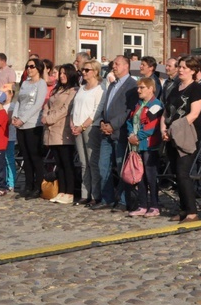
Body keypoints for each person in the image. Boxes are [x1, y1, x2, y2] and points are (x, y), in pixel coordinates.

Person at [161, 55, 201, 223]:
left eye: (185, 67)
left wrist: (174, 129)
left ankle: (192, 211)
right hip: (171, 135)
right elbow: (166, 111)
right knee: (175, 174)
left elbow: (193, 114)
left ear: (193, 71)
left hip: (188, 135)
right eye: (179, 66)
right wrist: (164, 129)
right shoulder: (174, 87)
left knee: (183, 173)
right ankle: (183, 209)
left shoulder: (196, 89)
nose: (180, 70)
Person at [93, 55, 138, 210]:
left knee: (121, 167)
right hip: (106, 132)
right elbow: (106, 105)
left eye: (117, 64)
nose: (114, 67)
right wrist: (103, 122)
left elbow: (129, 110)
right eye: (113, 64)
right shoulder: (112, 85)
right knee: (103, 165)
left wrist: (113, 125)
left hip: (120, 132)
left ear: (126, 66)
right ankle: (107, 199)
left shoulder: (133, 85)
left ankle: (124, 201)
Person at [42, 64, 80, 204]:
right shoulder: (57, 89)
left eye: (65, 73)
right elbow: (47, 105)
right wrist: (45, 115)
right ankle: (62, 190)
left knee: (67, 162)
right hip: (51, 130)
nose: (62, 75)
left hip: (63, 130)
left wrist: (50, 119)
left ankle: (69, 192)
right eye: (61, 73)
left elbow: (66, 109)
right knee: (59, 163)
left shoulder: (73, 90)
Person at [126, 77, 164, 217]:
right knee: (140, 175)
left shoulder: (156, 104)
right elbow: (130, 120)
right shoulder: (139, 104)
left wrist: (138, 136)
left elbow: (151, 126)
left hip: (149, 145)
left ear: (150, 89)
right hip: (136, 145)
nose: (138, 90)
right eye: (138, 87)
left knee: (150, 176)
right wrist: (130, 134)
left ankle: (154, 205)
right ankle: (142, 204)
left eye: (142, 87)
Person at [12, 58, 48, 199]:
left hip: (33, 124)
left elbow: (38, 104)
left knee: (35, 156)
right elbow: (19, 101)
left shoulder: (41, 83)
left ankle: (38, 186)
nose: (29, 69)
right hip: (20, 124)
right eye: (27, 66)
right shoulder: (25, 83)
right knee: (25, 156)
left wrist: (23, 119)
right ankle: (28, 185)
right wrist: (15, 117)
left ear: (38, 68)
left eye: (32, 66)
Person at [71, 59, 105, 206]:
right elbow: (75, 107)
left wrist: (83, 126)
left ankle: (95, 194)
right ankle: (85, 193)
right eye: (83, 70)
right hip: (77, 126)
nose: (83, 72)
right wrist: (72, 123)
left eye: (87, 70)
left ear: (95, 72)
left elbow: (96, 110)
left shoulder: (100, 88)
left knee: (93, 162)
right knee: (83, 162)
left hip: (91, 127)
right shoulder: (81, 87)